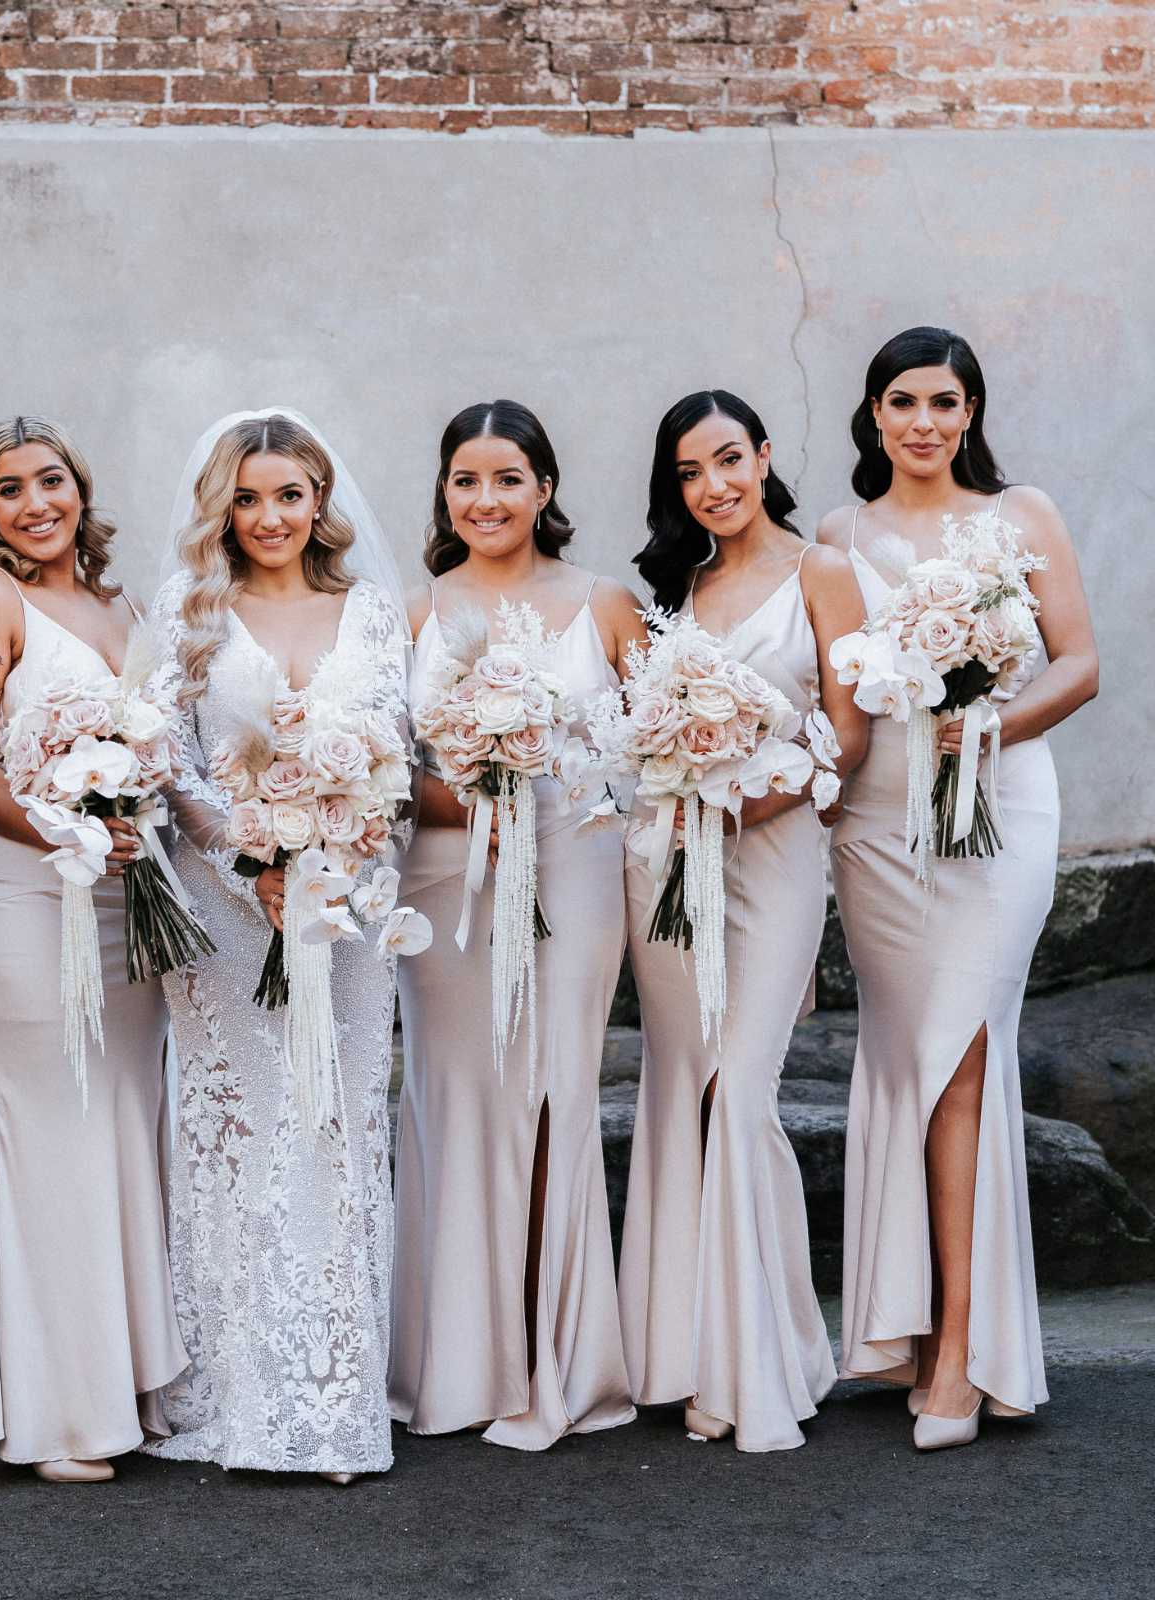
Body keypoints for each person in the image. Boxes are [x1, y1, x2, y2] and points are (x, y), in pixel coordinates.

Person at [819, 327, 1097, 1451]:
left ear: (971, 411)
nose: (923, 422)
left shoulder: (1022, 514)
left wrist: (982, 727)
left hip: (1001, 810)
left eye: (944, 401)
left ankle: (966, 1356)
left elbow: (1080, 663)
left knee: (967, 1053)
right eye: (902, 402)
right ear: (875, 416)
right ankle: (906, 1330)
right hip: (882, 823)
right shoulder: (838, 537)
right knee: (902, 1059)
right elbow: (843, 708)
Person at [140, 408, 412, 1483]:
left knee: (334, 1129)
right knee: (239, 1133)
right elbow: (168, 753)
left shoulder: (373, 611)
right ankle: (238, 1394)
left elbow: (388, 744)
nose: (268, 517)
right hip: (223, 910)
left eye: (289, 495)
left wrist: (334, 846)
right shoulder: (189, 608)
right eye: (247, 498)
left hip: (345, 913)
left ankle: (330, 1401)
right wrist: (244, 852)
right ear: (224, 505)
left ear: (320, 501)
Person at [0, 416, 184, 1483]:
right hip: (19, 891)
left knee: (119, 1120)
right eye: (9, 489)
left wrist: (128, 817)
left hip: (122, 897)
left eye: (50, 480)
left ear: (81, 487)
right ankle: (58, 1414)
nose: (34, 503)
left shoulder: (122, 605)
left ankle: (121, 1381)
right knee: (53, 1127)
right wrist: (60, 826)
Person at [390, 399, 645, 1450]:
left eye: (507, 477)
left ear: (545, 487)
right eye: (465, 480)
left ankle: (552, 1362)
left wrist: (546, 789)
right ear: (445, 493)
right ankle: (459, 1363)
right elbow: (390, 769)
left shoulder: (607, 605)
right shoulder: (409, 612)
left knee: (550, 1093)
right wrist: (474, 801)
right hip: (449, 881)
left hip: (577, 879)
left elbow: (653, 752)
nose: (485, 498)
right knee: (459, 1100)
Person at [619, 390, 869, 1452]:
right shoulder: (674, 589)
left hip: (773, 855)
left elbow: (850, 734)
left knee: (747, 1085)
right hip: (669, 865)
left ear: (764, 457)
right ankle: (682, 1353)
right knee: (687, 1086)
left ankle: (762, 1356)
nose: (713, 486)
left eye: (729, 460)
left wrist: (756, 795)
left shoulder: (822, 571)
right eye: (690, 472)